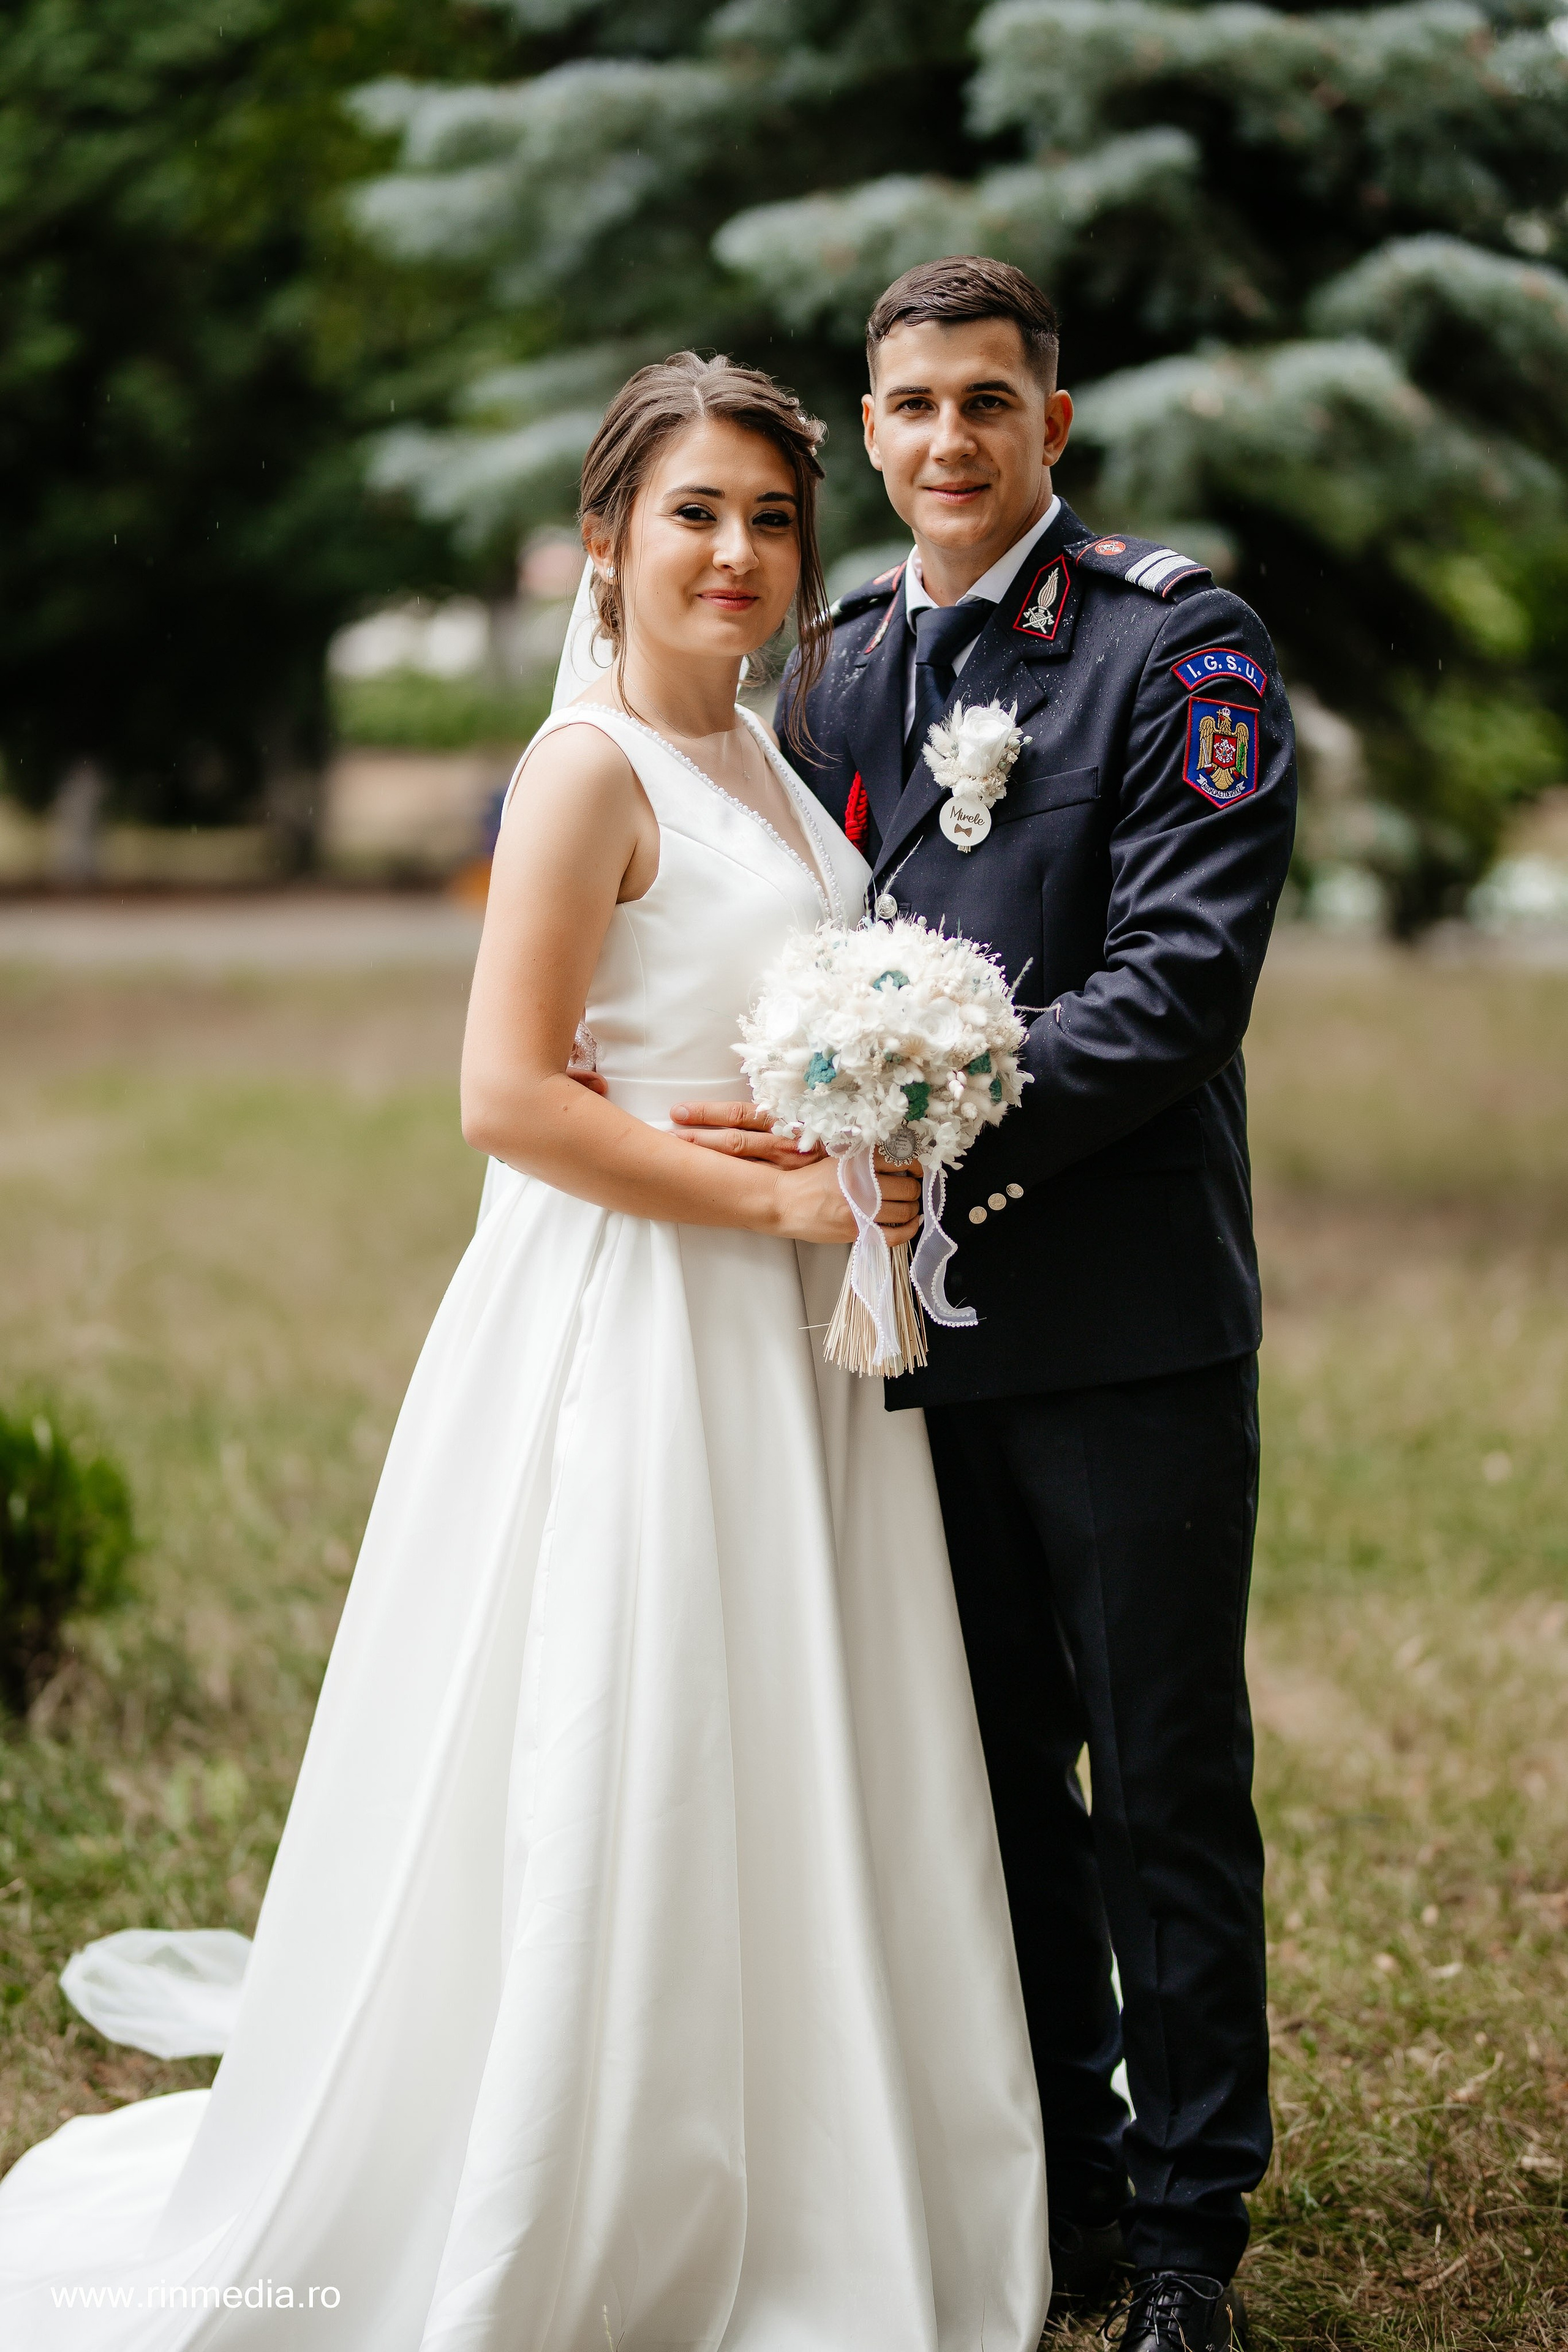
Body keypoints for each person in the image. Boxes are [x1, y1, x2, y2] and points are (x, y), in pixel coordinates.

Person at [0, 355, 1050, 2349]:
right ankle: (603, 2175)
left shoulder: (767, 756)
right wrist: (774, 1203)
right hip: (637, 1326)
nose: (735, 554)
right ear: (604, 543)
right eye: (692, 516)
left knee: (790, 1724)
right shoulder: (587, 772)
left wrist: (878, 1156)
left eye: (765, 520)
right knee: (633, 1723)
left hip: (790, 1342)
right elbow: (502, 1093)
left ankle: (820, 2144)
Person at [677, 259, 1297, 2352]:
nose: (949, 440)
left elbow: (1179, 981)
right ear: (870, 429)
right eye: (914, 404)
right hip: (893, 1336)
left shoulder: (1171, 645)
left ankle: (1197, 2236)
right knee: (983, 1775)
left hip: (1117, 1318)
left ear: (1056, 420)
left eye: (990, 403)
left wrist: (953, 1139)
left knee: (1162, 1773)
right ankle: (1068, 2179)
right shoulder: (840, 669)